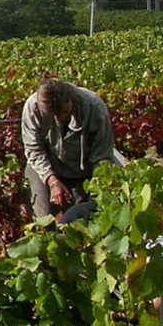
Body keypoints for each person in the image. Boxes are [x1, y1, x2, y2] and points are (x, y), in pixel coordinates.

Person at [21, 77, 121, 219]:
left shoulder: (94, 107)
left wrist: (95, 198)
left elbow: (102, 157)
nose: (61, 118)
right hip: (45, 168)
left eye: (65, 112)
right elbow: (34, 150)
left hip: (82, 171)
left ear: (71, 99)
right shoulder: (33, 107)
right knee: (43, 217)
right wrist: (52, 181)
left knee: (81, 216)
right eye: (54, 115)